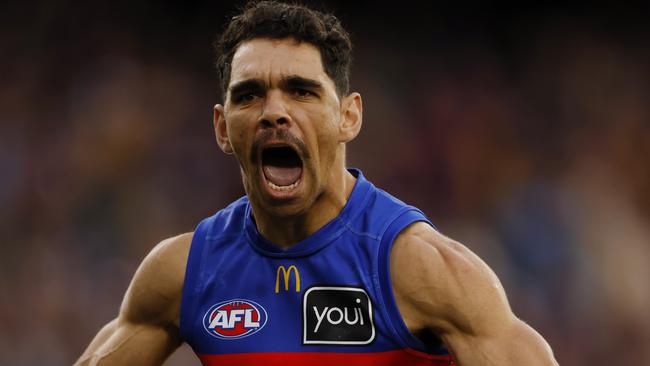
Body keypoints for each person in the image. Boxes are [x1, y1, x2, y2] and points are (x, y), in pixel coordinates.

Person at [76, 1, 558, 365]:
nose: (274, 112)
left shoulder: (418, 268)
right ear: (223, 128)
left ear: (348, 116)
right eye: (250, 95)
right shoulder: (184, 273)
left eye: (301, 91)